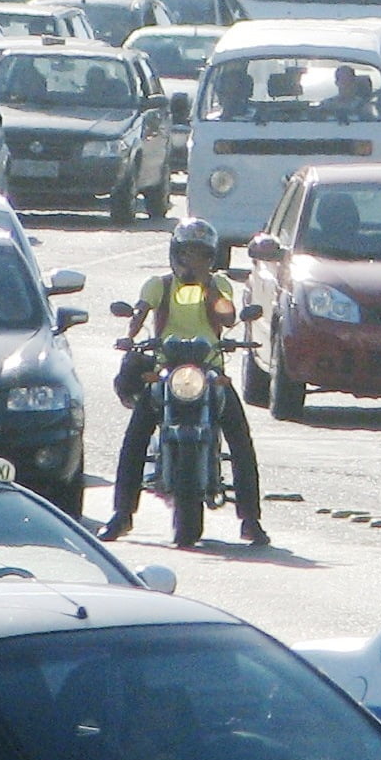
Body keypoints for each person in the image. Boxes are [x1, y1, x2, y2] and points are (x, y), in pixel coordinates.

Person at [101, 217, 267, 548]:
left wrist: (206, 288)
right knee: (135, 438)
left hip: (209, 369)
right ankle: (121, 514)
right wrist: (129, 336)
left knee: (240, 438)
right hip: (166, 368)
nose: (195, 262)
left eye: (203, 256)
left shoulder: (219, 285)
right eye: (189, 254)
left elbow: (228, 316)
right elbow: (140, 314)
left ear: (213, 258)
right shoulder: (158, 285)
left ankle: (250, 519)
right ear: (176, 254)